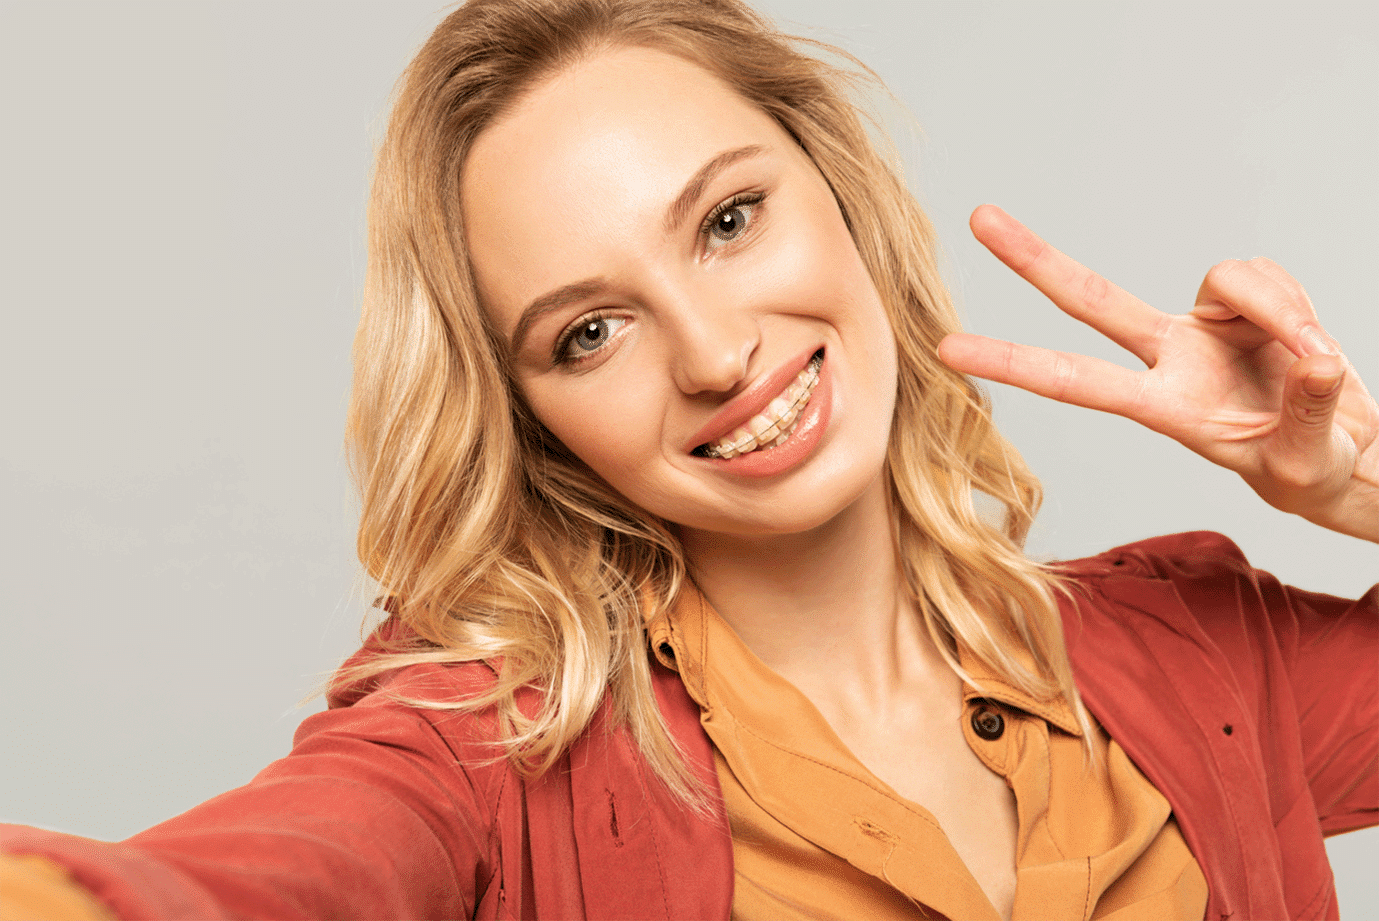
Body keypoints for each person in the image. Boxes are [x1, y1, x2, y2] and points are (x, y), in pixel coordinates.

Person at [3, 0, 1375, 919]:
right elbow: (231, 879)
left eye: (727, 218)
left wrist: (1354, 490)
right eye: (589, 331)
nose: (714, 353)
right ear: (529, 413)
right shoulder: (487, 755)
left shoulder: (1200, 652)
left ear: (834, 188)